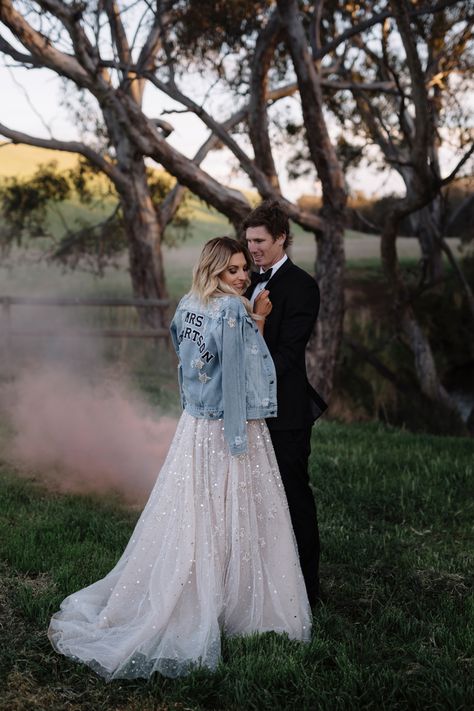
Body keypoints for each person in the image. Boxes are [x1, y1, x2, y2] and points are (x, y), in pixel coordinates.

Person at [48, 236, 311, 680]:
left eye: (245, 268)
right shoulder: (231, 310)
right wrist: (259, 320)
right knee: (234, 509)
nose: (244, 277)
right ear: (214, 272)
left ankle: (205, 587)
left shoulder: (189, 303)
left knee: (197, 510)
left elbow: (183, 356)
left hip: (194, 424)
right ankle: (237, 605)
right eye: (233, 271)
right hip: (230, 425)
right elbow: (245, 372)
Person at [243, 200, 327, 607]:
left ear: (280, 238)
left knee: (294, 498)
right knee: (255, 499)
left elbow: (289, 354)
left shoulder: (302, 285)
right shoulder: (245, 282)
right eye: (248, 241)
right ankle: (262, 581)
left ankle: (308, 590)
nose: (253, 249)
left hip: (286, 413)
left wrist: (246, 379)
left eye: (259, 241)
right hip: (248, 412)